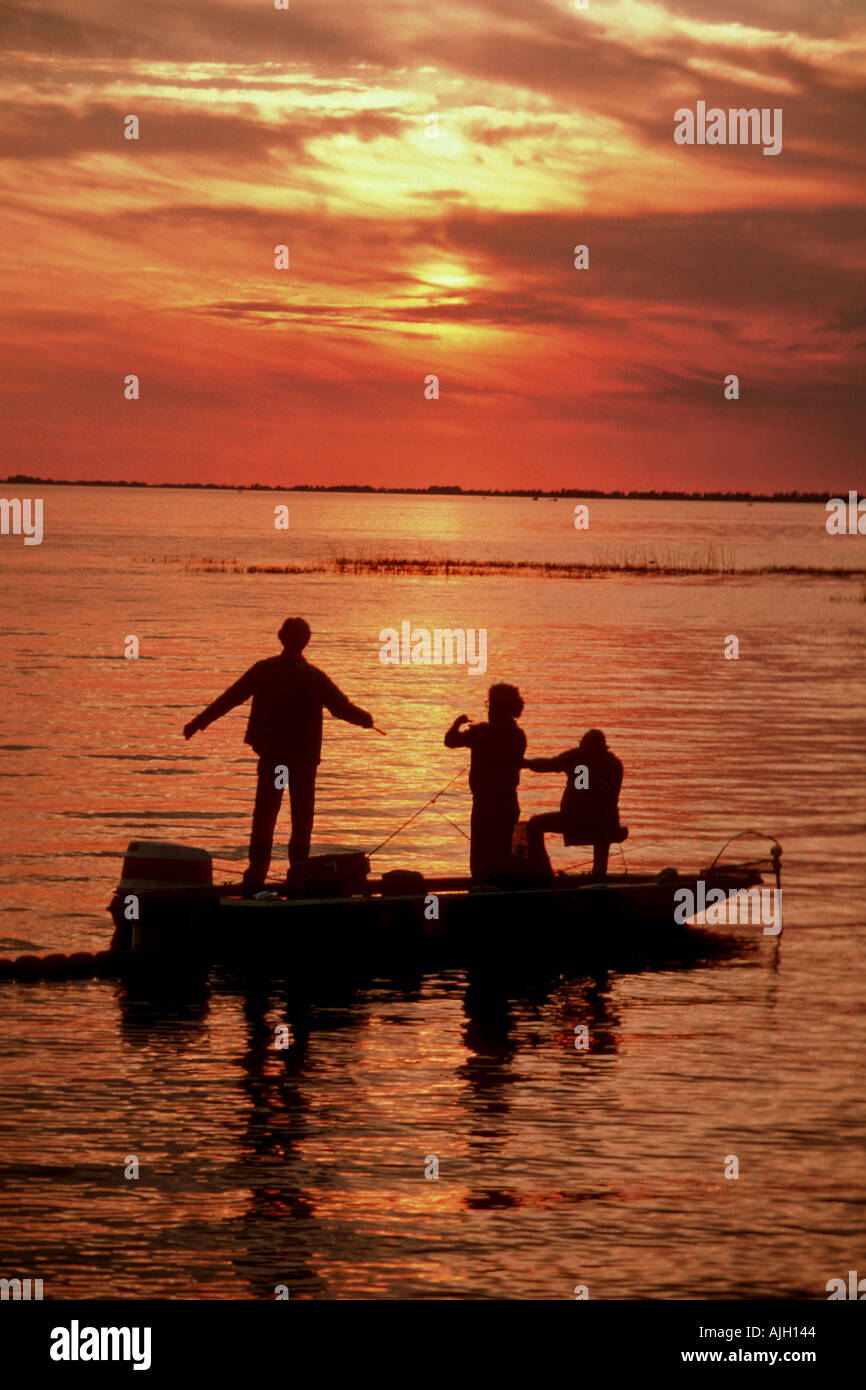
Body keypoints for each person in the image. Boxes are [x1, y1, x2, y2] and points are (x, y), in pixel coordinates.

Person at [183, 618, 373, 891]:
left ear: (282, 639)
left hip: (275, 758)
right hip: (302, 761)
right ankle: (299, 873)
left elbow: (230, 698)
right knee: (301, 818)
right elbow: (341, 708)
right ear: (304, 641)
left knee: (265, 815)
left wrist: (199, 722)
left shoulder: (265, 670)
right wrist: (365, 719)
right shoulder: (312, 677)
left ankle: (256, 876)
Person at [444, 684, 526, 882]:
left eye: (489, 705)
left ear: (496, 707)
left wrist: (457, 724)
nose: (487, 709)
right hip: (509, 803)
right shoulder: (518, 735)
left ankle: (482, 892)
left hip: (485, 805)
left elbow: (450, 741)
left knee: (481, 858)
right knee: (509, 852)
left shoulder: (480, 733)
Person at [523, 728, 625, 878]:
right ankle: (598, 877)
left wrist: (526, 764)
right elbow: (550, 764)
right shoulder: (614, 764)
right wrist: (529, 764)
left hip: (580, 820)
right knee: (605, 827)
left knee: (534, 824)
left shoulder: (578, 757)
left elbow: (550, 764)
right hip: (601, 821)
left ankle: (544, 874)